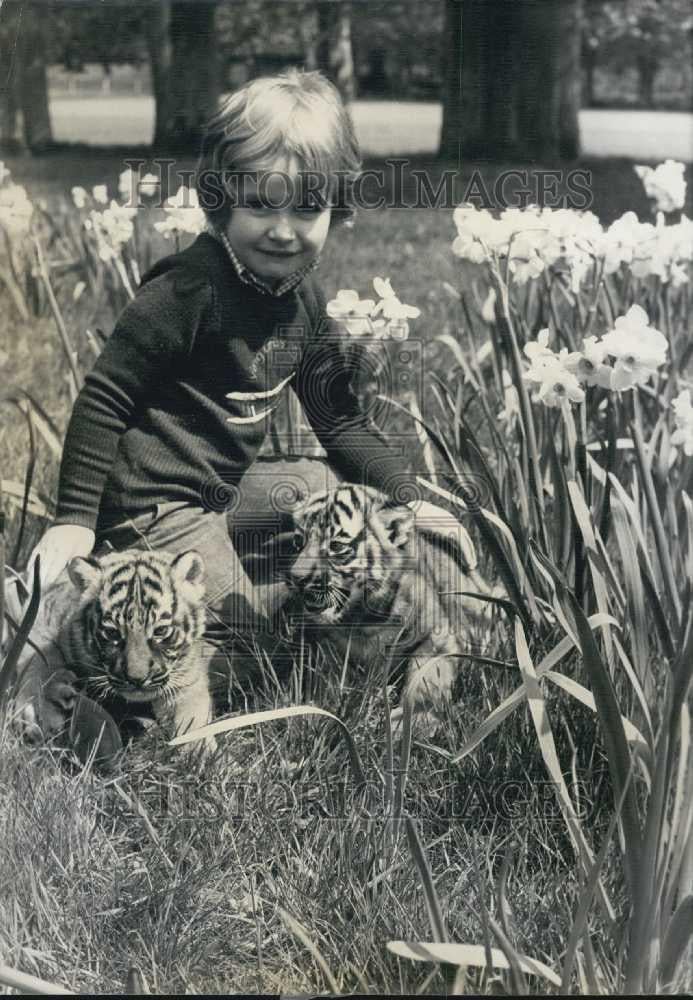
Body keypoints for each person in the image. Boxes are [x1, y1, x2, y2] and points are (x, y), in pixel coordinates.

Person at [26, 69, 413, 692]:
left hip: (221, 490)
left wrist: (409, 494)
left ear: (335, 211)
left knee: (313, 483)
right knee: (258, 661)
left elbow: (340, 419)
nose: (284, 229)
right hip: (153, 503)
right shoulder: (188, 290)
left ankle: (245, 582)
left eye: (307, 207)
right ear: (221, 197)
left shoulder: (304, 304)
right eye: (261, 202)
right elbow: (104, 399)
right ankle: (98, 655)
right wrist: (72, 520)